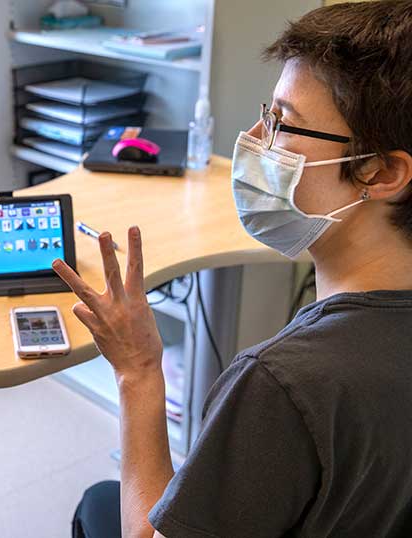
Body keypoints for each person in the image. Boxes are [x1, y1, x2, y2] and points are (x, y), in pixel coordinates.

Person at [54, 2, 412, 537]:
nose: (254, 137)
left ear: (380, 171)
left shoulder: (285, 384)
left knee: (102, 503)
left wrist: (138, 372)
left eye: (282, 124)